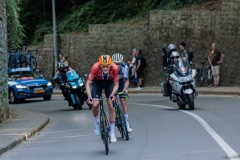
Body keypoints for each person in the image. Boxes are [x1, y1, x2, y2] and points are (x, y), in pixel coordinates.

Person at [86, 55, 119, 143]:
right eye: (103, 66)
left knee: (111, 105)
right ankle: (96, 123)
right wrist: (89, 96)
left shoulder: (115, 68)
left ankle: (112, 133)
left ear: (110, 64)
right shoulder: (95, 67)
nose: (105, 68)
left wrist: (112, 94)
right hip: (97, 82)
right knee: (95, 104)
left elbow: (116, 85)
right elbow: (88, 84)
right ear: (100, 65)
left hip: (109, 83)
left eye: (107, 66)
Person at [112, 53, 133, 133]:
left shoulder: (124, 67)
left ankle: (127, 123)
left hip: (120, 82)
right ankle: (114, 117)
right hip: (112, 83)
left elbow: (127, 80)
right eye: (116, 64)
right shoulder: (109, 68)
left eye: (119, 64)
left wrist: (125, 88)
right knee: (111, 101)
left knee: (123, 100)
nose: (118, 66)